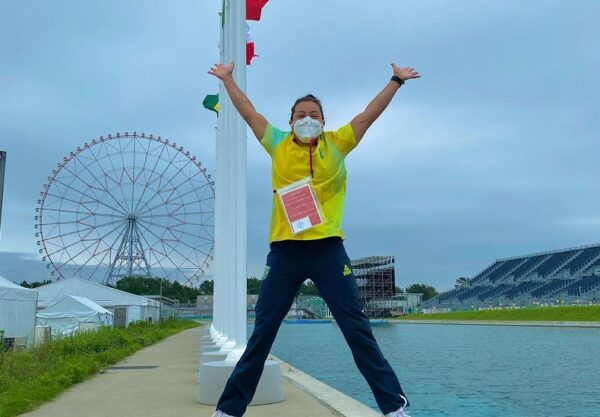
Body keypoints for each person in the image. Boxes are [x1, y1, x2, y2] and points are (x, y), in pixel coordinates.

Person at [208, 61, 420, 417]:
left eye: (314, 114)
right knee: (262, 333)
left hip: (328, 251)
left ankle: (394, 408)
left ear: (324, 120)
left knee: (357, 330)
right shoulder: (277, 143)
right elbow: (248, 112)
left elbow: (369, 115)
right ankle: (228, 411)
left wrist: (396, 80)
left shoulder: (338, 143)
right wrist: (228, 79)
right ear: (290, 121)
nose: (308, 119)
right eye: (301, 114)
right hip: (284, 253)